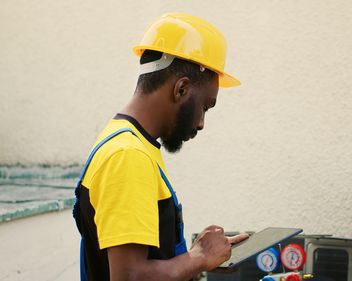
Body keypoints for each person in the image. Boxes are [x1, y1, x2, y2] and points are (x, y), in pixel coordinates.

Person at [72, 13, 248, 281]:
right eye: (205, 106)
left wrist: (197, 256)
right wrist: (199, 257)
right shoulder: (128, 155)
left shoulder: (128, 141)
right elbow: (130, 276)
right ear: (181, 89)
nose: (201, 123)